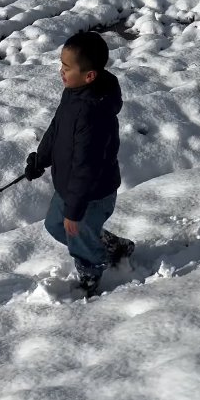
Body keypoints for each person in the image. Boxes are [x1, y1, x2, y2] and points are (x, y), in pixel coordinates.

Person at [24, 31, 134, 298]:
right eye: (61, 64)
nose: (61, 72)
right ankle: (108, 244)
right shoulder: (73, 93)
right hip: (70, 189)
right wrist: (41, 159)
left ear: (90, 76)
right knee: (54, 225)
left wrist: (74, 210)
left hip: (92, 194)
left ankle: (91, 270)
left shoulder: (93, 112)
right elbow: (57, 129)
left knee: (78, 235)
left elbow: (87, 166)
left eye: (67, 67)